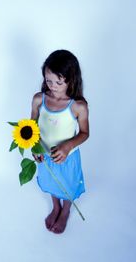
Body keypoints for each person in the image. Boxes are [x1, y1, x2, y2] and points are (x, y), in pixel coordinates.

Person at [31, 49, 89, 234]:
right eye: (49, 80)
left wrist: (68, 145)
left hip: (67, 157)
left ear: (71, 80)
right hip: (45, 156)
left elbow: (85, 133)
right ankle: (55, 206)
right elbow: (31, 127)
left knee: (67, 184)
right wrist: (34, 146)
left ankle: (65, 209)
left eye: (59, 82)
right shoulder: (39, 100)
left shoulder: (78, 106)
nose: (53, 86)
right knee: (50, 181)